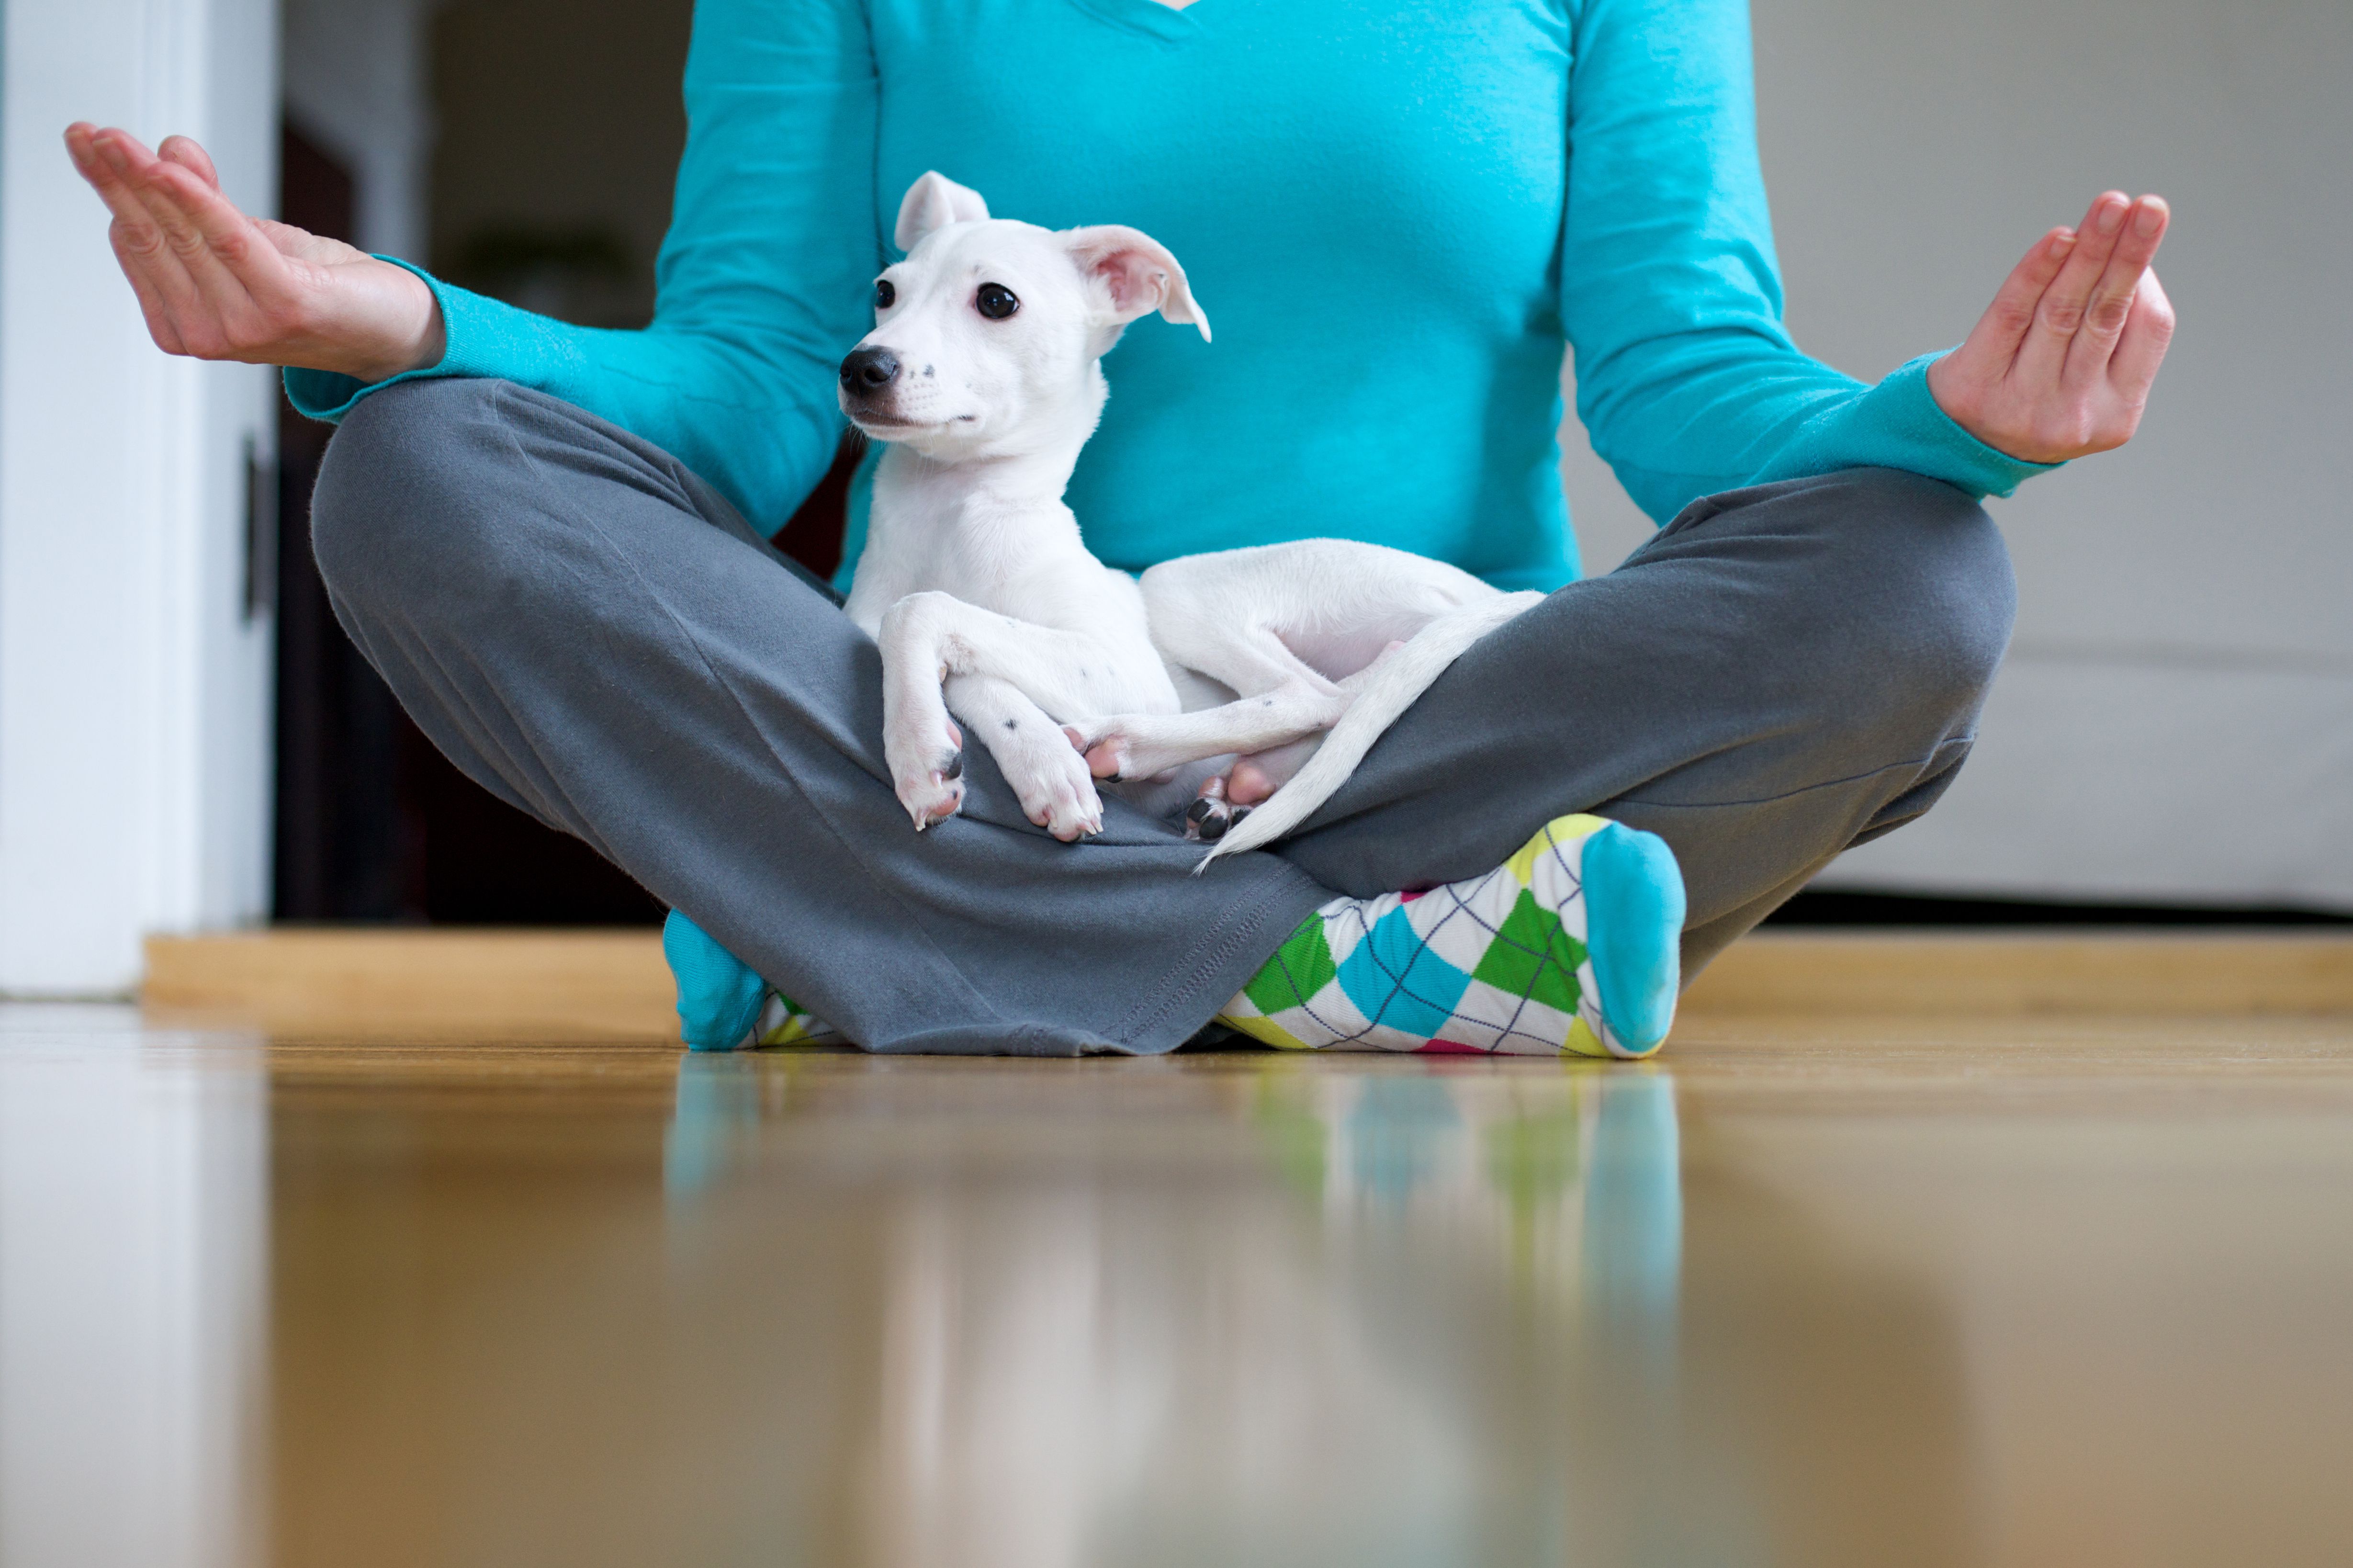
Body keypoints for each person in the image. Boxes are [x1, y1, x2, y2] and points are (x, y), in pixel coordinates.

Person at [66, 0, 2173, 1059]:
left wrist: (1943, 423)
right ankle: (1354, 980)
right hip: (969, 726)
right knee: (427, 471)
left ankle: (871, 934)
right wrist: (406, 323)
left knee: (1911, 569)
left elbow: (1688, 376)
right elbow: (730, 394)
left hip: (1427, 746)